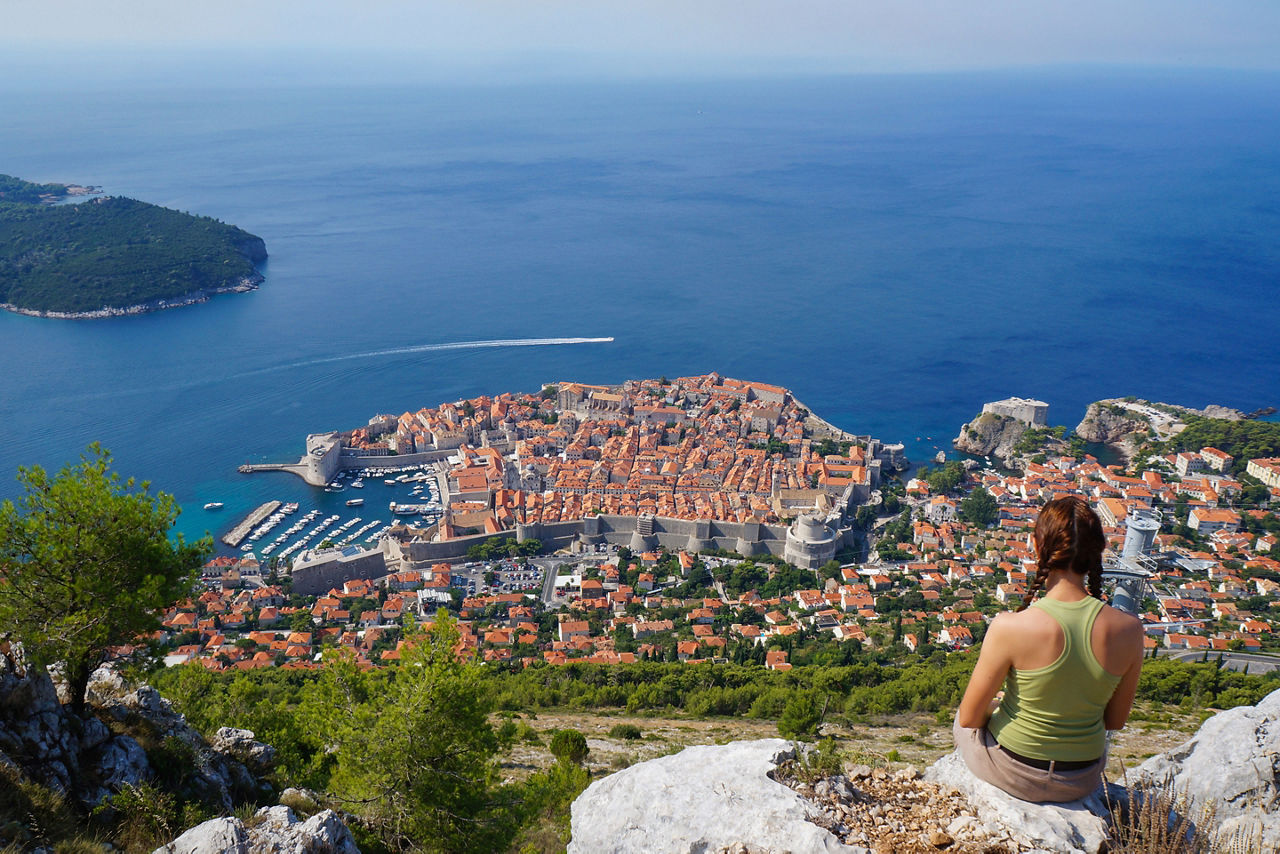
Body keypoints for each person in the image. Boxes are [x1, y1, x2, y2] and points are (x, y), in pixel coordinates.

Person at [953, 495, 1144, 802]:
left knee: (960, 720)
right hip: (1082, 778)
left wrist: (1000, 707)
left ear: (1037, 545)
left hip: (1014, 773)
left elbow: (970, 718)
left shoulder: (1010, 626)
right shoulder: (1131, 630)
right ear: (1098, 551)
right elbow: (1115, 721)